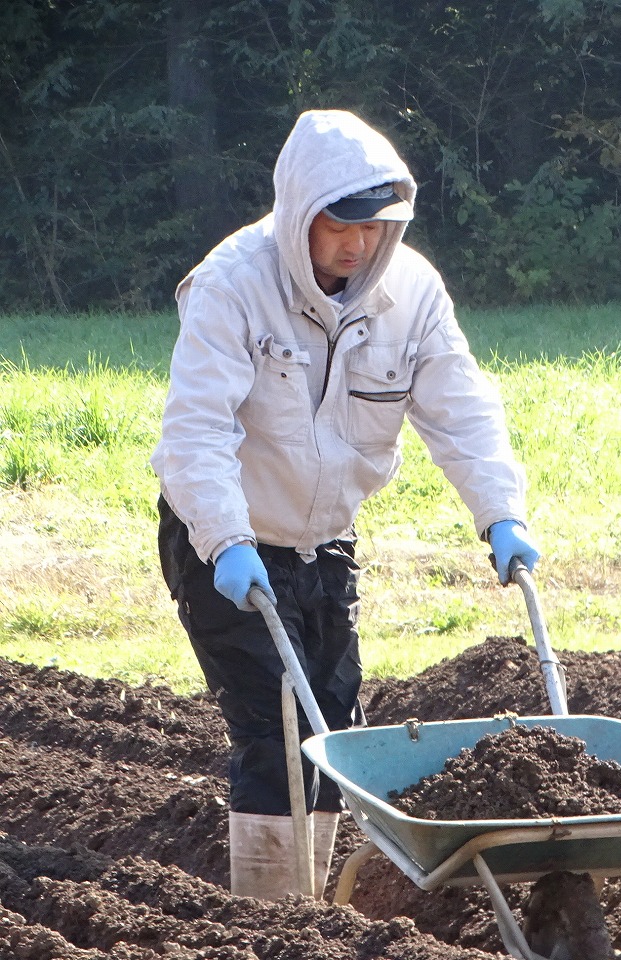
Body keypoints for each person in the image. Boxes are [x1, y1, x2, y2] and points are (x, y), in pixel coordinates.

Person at [151, 109, 539, 900]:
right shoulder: (234, 286)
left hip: (325, 541)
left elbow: (462, 410)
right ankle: (269, 917)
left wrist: (502, 512)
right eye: (341, 224)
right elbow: (196, 431)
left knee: (333, 730)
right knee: (276, 732)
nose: (358, 243)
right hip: (227, 542)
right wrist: (224, 538)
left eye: (375, 225)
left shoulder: (411, 295)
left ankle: (313, 910)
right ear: (302, 213)